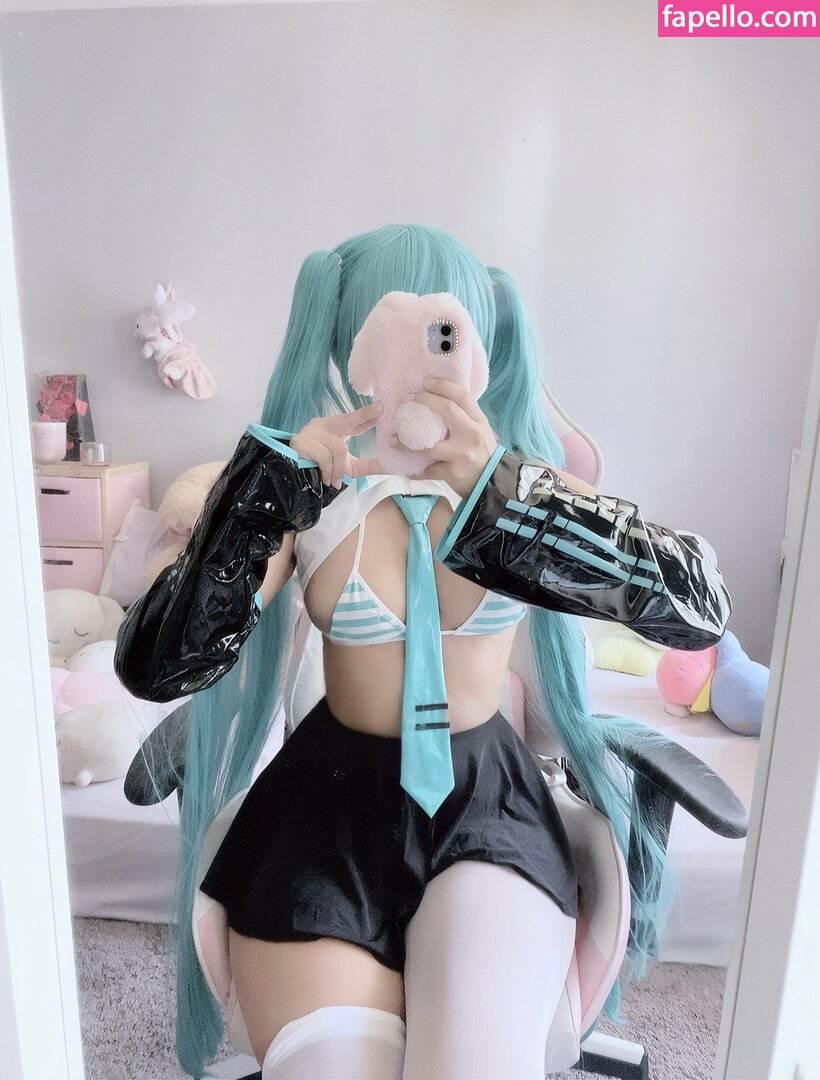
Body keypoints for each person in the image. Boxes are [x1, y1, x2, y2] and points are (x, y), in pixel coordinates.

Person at [115, 224, 730, 1079]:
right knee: (326, 1067)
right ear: (353, 344)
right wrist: (264, 493)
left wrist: (504, 494)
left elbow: (697, 609)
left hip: (490, 805)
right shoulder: (309, 495)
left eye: (445, 330)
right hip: (325, 806)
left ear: (478, 340)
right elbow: (156, 665)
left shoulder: (523, 487)